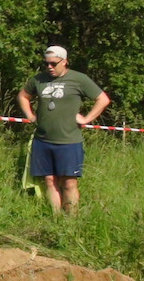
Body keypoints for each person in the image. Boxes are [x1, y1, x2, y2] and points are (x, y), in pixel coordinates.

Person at [17, 45, 111, 214]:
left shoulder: (79, 79)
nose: (49, 67)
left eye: (54, 63)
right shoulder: (38, 79)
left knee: (69, 182)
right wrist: (30, 116)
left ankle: (71, 221)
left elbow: (102, 99)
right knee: (49, 180)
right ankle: (56, 218)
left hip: (69, 141)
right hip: (43, 140)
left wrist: (87, 118)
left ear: (65, 62)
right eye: (47, 63)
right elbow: (23, 96)